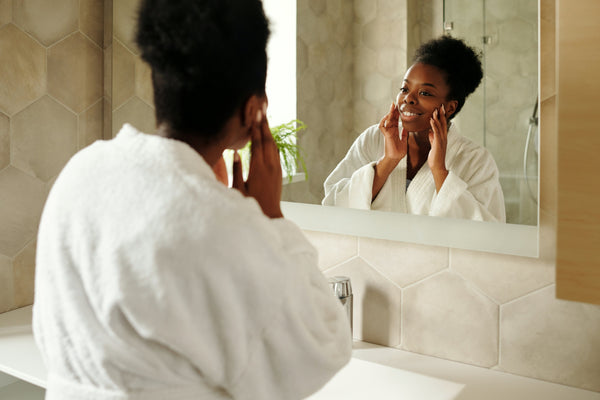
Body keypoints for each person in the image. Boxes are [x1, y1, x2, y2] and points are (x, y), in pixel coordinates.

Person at [32, 1, 352, 399]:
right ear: (254, 109)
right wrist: (271, 217)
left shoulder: (82, 172)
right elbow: (323, 346)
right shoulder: (221, 226)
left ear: (159, 80)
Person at [322, 36, 506, 222]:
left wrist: (439, 171)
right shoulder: (374, 138)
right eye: (404, 89)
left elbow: (488, 231)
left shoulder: (476, 160)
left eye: (425, 93)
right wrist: (388, 161)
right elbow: (332, 203)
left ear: (449, 107)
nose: (408, 98)